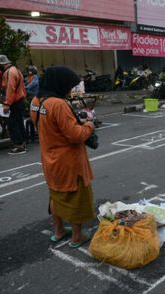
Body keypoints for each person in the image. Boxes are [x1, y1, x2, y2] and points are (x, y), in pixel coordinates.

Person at [30, 66, 96, 248]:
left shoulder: (36, 101)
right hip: (69, 162)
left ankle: (58, 231)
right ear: (60, 84)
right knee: (77, 197)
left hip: (50, 159)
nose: (70, 90)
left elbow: (51, 126)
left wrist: (75, 123)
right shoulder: (58, 104)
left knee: (56, 195)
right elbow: (76, 136)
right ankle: (77, 236)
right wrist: (89, 125)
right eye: (69, 86)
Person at [0, 54, 27, 154]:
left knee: (13, 124)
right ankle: (22, 142)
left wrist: (7, 104)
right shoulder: (16, 70)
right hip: (19, 101)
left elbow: (10, 89)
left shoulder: (9, 73)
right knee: (19, 122)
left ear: (2, 64)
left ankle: (19, 146)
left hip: (13, 102)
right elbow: (22, 87)